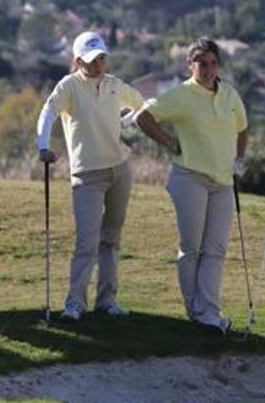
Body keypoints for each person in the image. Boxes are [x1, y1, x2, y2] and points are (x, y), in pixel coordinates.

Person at [135, 37, 248, 336]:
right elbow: (142, 118)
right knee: (192, 248)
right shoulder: (181, 95)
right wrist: (171, 142)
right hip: (189, 179)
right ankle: (195, 310)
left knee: (215, 250)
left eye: (213, 63)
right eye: (202, 63)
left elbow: (242, 127)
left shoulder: (230, 95)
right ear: (190, 65)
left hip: (223, 183)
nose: (208, 69)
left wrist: (238, 158)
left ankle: (208, 312)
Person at [36, 31, 145, 322]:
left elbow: (143, 105)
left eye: (101, 58)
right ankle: (75, 302)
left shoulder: (113, 85)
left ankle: (107, 301)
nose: (98, 64)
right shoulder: (69, 86)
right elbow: (48, 114)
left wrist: (126, 122)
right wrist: (43, 146)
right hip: (87, 175)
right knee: (87, 242)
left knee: (111, 239)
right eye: (91, 60)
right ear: (77, 61)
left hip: (119, 170)